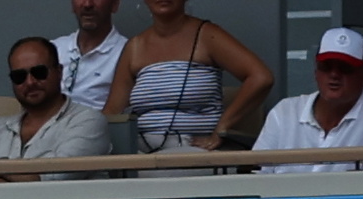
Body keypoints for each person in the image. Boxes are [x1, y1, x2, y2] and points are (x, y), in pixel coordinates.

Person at [107, 0, 276, 150]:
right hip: (141, 146)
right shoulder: (135, 46)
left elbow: (261, 78)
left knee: (148, 177)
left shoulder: (207, 35)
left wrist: (222, 127)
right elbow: (113, 110)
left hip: (191, 147)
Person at [256, 28, 363, 165]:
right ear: (316, 72)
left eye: (345, 68)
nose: (334, 75)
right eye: (326, 67)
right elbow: (257, 175)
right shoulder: (284, 111)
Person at [0, 41, 110, 171]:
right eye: (19, 76)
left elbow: (56, 176)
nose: (30, 82)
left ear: (59, 72)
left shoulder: (88, 121)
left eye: (39, 72)